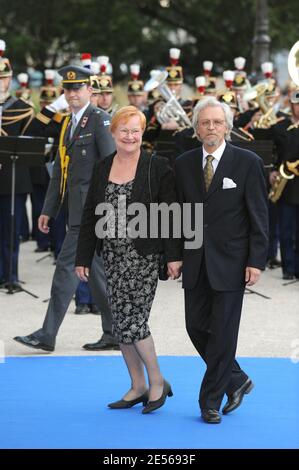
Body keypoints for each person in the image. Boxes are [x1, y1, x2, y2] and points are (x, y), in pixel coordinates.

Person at [75, 106, 182, 413]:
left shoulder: (157, 166)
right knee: (120, 323)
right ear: (113, 133)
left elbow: (171, 216)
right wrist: (83, 256)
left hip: (144, 256)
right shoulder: (102, 166)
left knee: (134, 322)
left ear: (143, 132)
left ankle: (157, 382)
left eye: (135, 130)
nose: (130, 136)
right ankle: (137, 385)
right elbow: (89, 214)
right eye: (124, 130)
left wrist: (174, 257)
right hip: (111, 255)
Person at [175, 96, 269, 424]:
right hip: (195, 260)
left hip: (232, 261)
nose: (211, 127)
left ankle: (209, 401)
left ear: (227, 127)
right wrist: (174, 256)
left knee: (224, 332)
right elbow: (179, 215)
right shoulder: (184, 163)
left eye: (217, 122)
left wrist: (257, 260)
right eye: (205, 122)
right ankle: (236, 378)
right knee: (195, 326)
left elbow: (258, 215)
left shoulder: (247, 162)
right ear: (196, 128)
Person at [14, 65, 118, 352]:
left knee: (67, 268)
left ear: (90, 91)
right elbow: (60, 172)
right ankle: (116, 331)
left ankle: (47, 334)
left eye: (78, 88)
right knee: (95, 273)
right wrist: (48, 209)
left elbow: (111, 166)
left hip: (93, 212)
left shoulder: (100, 120)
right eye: (68, 89)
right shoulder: (67, 124)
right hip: (75, 210)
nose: (72, 93)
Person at [0, 43, 34, 290]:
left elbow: (30, 145)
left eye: (3, 78)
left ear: (10, 79)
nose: (0, 83)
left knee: (12, 229)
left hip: (12, 178)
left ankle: (10, 275)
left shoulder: (22, 109)